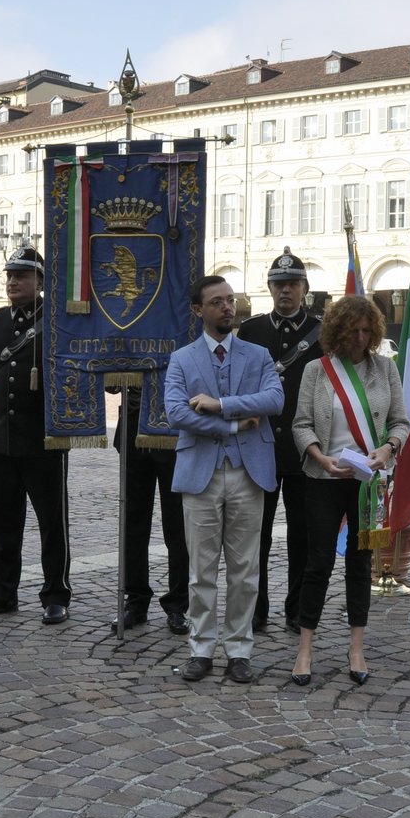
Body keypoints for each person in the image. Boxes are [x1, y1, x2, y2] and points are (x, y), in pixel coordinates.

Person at [166, 276, 283, 684]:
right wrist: (233, 427)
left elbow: (275, 400)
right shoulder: (182, 359)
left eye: (231, 300)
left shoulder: (258, 355)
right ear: (198, 310)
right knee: (200, 570)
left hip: (250, 473)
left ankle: (239, 650)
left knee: (245, 569)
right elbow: (177, 413)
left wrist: (221, 404)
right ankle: (200, 649)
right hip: (201, 473)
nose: (227, 308)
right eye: (217, 302)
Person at [292, 294, 410, 687]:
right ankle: (305, 647)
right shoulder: (317, 371)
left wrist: (388, 449)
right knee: (318, 564)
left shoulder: (386, 370)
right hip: (323, 478)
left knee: (358, 566)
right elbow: (301, 424)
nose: (360, 338)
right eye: (353, 330)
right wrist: (319, 458)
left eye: (366, 330)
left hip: (366, 482)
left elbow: (400, 423)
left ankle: (356, 647)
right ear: (338, 330)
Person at [0, 247, 72, 624]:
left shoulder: (58, 320)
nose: (13, 281)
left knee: (52, 522)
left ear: (41, 282)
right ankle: (3, 592)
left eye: (23, 276)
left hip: (45, 439)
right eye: (9, 275)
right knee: (5, 520)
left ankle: (56, 594)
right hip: (4, 438)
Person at [236, 251, 323, 634]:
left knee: (301, 538)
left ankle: (296, 610)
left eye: (292, 284)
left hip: (306, 449)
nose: (285, 290)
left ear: (305, 289)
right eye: (278, 284)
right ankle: (256, 609)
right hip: (260, 447)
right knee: (256, 536)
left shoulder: (322, 333)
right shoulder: (251, 331)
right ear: (269, 288)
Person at [109, 385, 189, 636]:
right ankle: (135, 600)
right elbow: (111, 384)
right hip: (133, 429)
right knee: (133, 523)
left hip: (173, 430)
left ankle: (177, 604)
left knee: (177, 527)